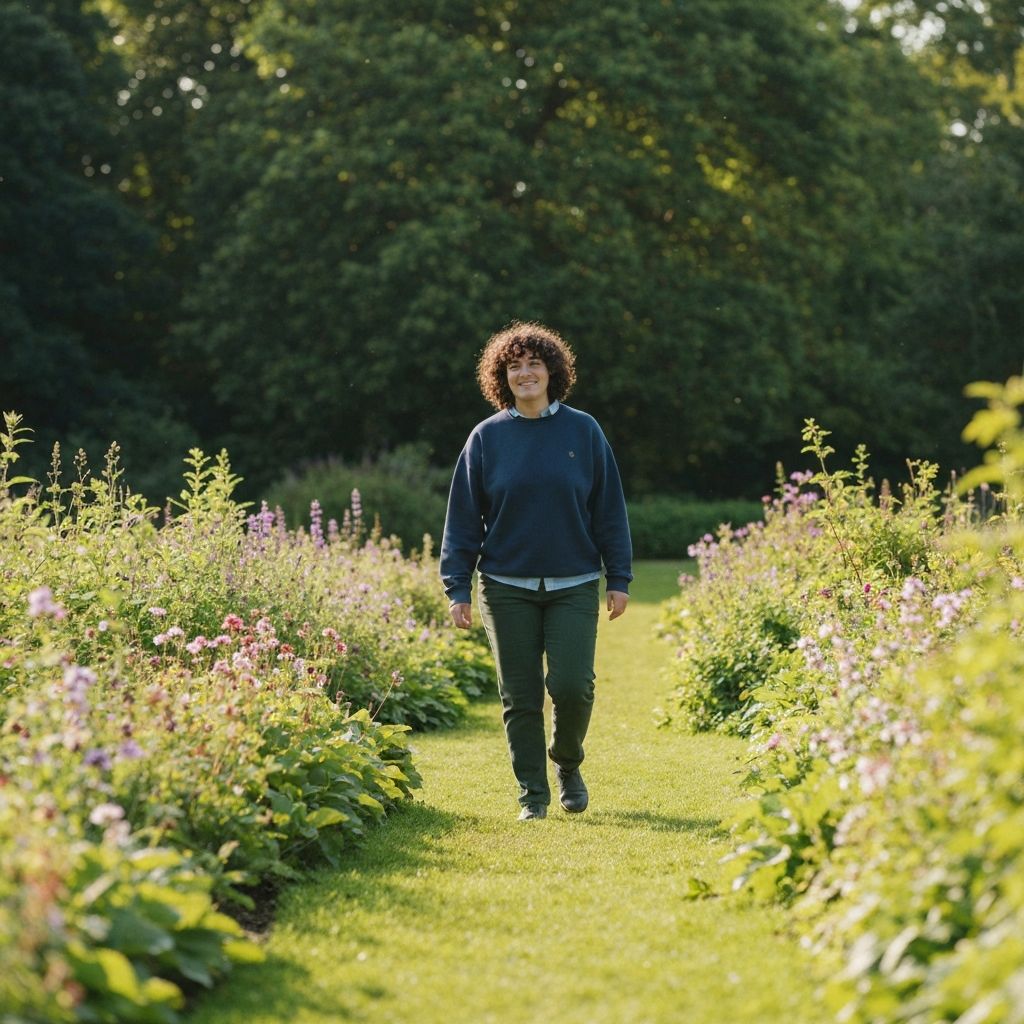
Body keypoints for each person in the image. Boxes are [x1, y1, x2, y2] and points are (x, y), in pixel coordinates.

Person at [440, 321, 633, 821]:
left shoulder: (583, 430)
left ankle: (567, 762)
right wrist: (457, 586)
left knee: (573, 686)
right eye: (514, 365)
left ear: (553, 371)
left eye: (534, 363)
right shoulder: (485, 438)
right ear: (501, 377)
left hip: (573, 582)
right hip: (505, 586)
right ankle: (533, 795)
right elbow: (462, 517)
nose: (525, 373)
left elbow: (608, 508)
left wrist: (618, 578)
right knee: (519, 697)